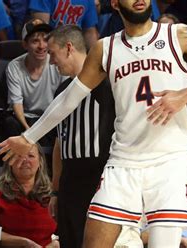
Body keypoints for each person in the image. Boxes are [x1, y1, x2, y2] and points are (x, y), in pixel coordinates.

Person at [0, 0, 187, 246]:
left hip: (169, 160)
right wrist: (28, 137)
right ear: (115, 3)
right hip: (123, 161)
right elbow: (69, 98)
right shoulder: (105, 48)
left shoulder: (179, 35)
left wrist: (186, 95)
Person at [46, 24, 115, 248]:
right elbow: (59, 142)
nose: (51, 61)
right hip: (69, 180)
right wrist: (56, 190)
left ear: (68, 48)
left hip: (98, 178)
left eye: (52, 53)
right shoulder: (62, 89)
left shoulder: (106, 83)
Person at [0, 143, 58, 247]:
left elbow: (68, 227)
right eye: (19, 155)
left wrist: (57, 243)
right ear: (10, 162)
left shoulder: (53, 192)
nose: (25, 160)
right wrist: (21, 242)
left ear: (40, 162)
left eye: (31, 156)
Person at [4, 18, 63, 144]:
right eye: (35, 41)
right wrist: (29, 132)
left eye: (46, 40)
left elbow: (65, 98)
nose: (42, 46)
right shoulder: (14, 67)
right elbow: (17, 104)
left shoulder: (58, 62)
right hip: (25, 118)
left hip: (50, 118)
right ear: (25, 44)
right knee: (10, 124)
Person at [29, 0, 99, 48]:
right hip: (49, 47)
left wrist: (94, 58)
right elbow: (41, 29)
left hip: (74, 48)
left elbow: (90, 32)